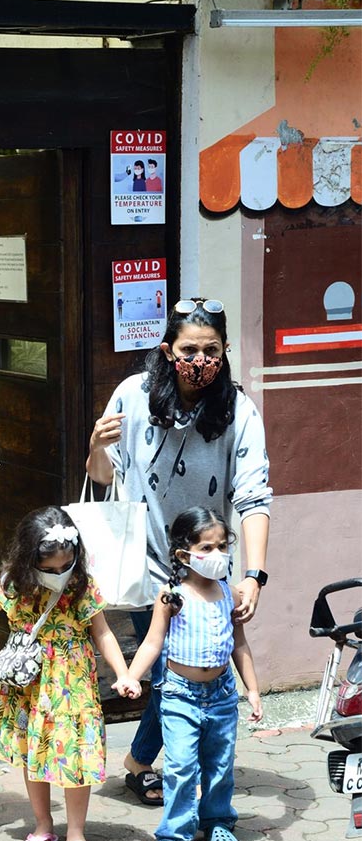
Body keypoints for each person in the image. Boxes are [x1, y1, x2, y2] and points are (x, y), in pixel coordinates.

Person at [86, 297, 271, 805]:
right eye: (189, 350)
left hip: (205, 565)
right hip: (145, 560)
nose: (200, 361)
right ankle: (145, 764)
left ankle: (143, 762)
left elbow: (254, 495)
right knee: (172, 668)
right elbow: (101, 478)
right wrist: (97, 447)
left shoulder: (239, 409)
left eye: (211, 350)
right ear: (168, 351)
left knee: (181, 669)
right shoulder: (133, 395)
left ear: (225, 351)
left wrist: (254, 574)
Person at [0, 506, 140, 841]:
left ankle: (77, 836)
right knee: (31, 752)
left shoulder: (81, 584)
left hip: (73, 682)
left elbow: (101, 630)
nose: (60, 573)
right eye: (50, 569)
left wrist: (124, 672)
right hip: (31, 683)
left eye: (65, 566)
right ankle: (43, 826)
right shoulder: (12, 584)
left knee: (77, 754)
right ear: (29, 560)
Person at [115, 507, 263, 841]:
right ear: (185, 554)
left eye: (222, 547)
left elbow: (239, 645)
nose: (217, 556)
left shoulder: (230, 594)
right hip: (180, 695)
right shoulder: (171, 596)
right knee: (181, 766)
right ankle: (175, 834)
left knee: (220, 764)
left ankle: (217, 822)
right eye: (207, 548)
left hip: (223, 697)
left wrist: (253, 690)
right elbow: (152, 643)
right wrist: (132, 676)